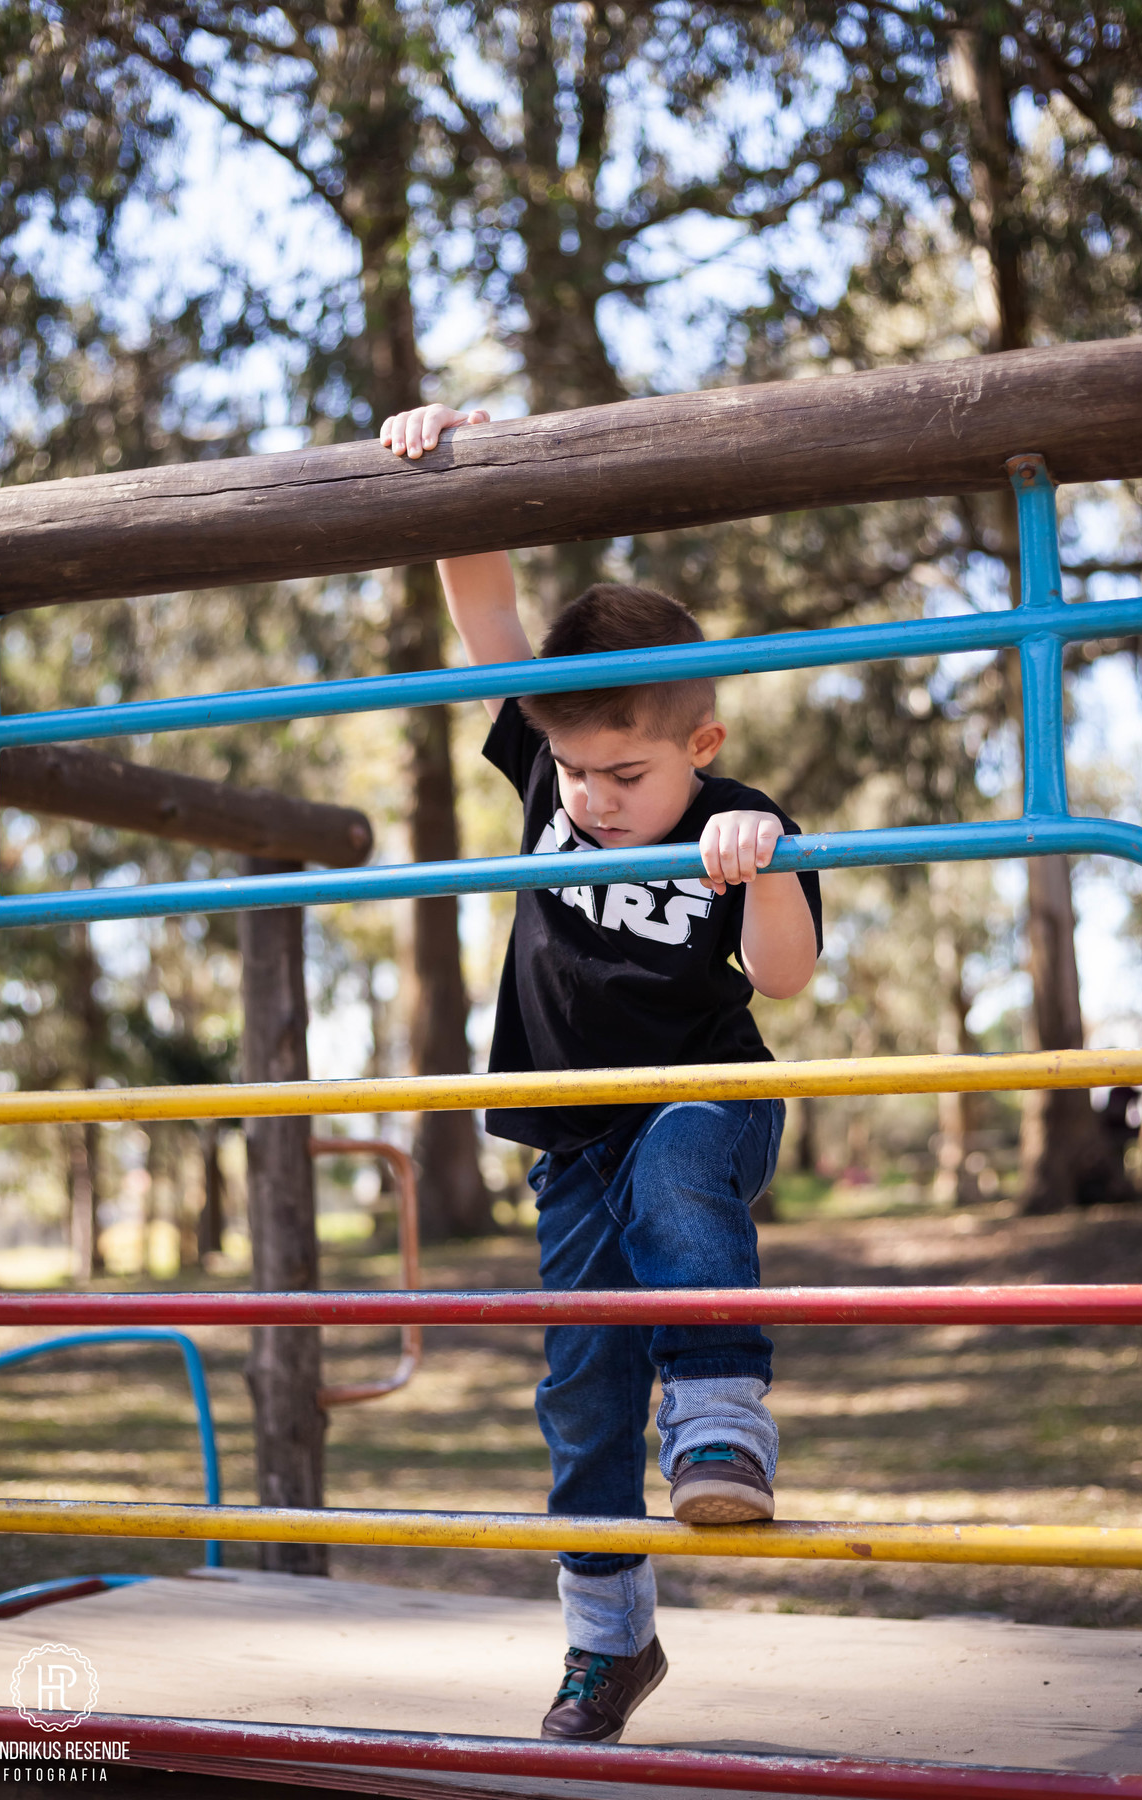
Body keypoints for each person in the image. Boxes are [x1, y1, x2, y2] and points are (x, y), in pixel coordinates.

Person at [382, 402, 822, 1744]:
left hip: (703, 1100)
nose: (590, 796)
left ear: (701, 749)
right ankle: (607, 1650)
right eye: (572, 767)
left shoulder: (747, 823)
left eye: (624, 772)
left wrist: (765, 868)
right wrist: (453, 464)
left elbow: (788, 980)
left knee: (684, 1182)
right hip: (572, 1142)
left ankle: (722, 1421)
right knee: (578, 1397)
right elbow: (485, 613)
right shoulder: (549, 779)